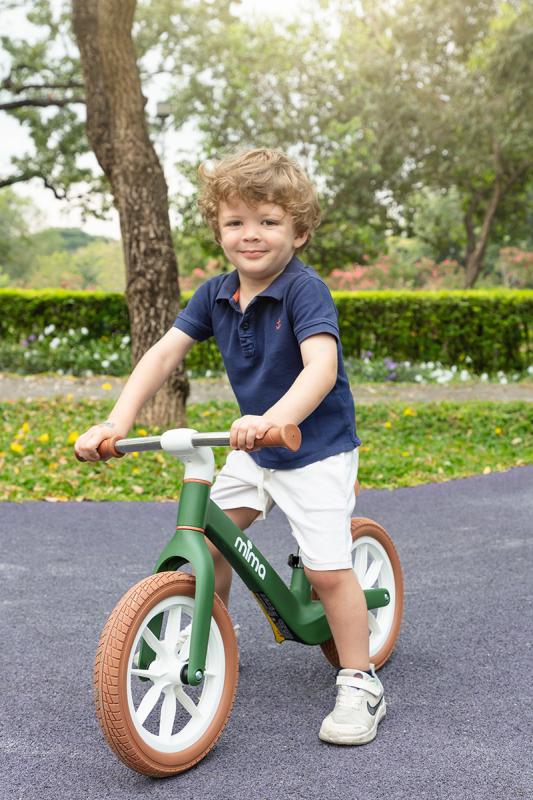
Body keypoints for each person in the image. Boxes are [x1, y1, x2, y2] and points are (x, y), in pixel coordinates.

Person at [74, 147, 386, 745]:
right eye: (236, 221)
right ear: (218, 231)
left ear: (299, 231)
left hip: (313, 449)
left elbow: (321, 368)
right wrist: (115, 422)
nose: (251, 234)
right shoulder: (215, 294)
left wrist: (274, 419)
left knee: (327, 572)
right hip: (254, 448)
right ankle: (209, 637)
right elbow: (162, 355)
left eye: (269, 221)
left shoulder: (304, 291)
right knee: (210, 540)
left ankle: (359, 680)